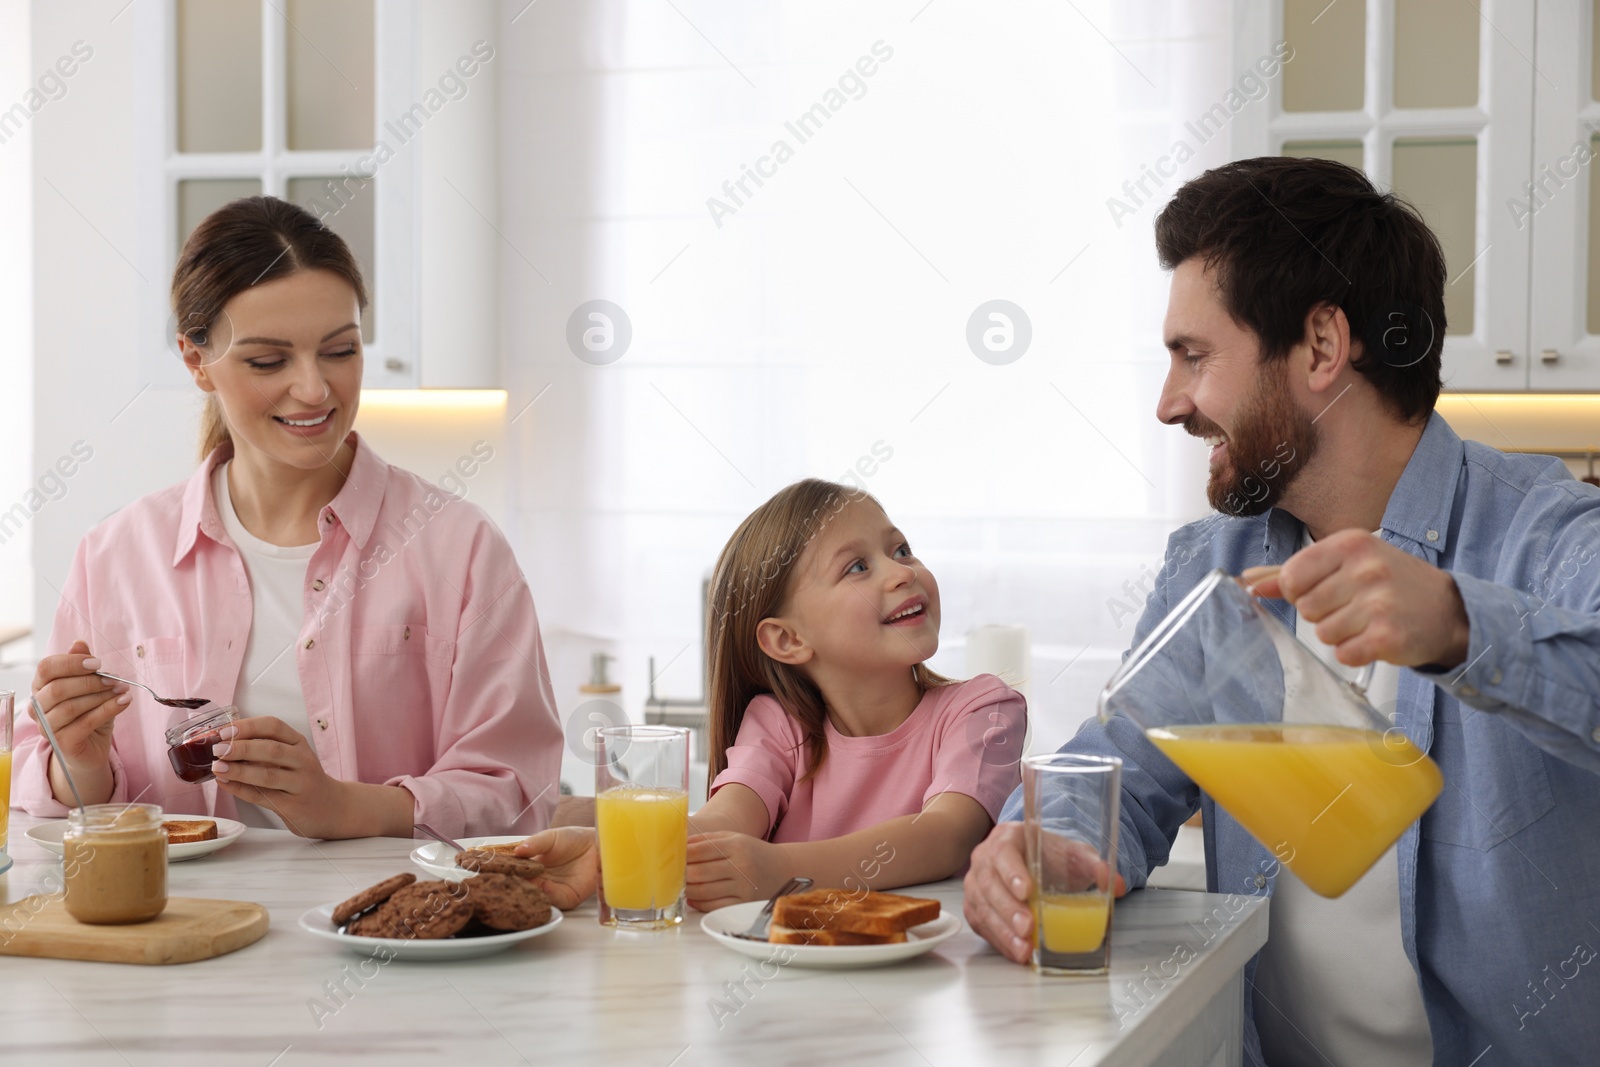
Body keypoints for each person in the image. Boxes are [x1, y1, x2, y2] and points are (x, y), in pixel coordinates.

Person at [963, 157, 1600, 1065]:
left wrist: (1462, 626)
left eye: (1195, 354)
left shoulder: (1547, 536)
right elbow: (1117, 777)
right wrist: (1041, 842)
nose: (1169, 402)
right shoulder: (1213, 568)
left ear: (1321, 347)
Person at [15, 196, 563, 840]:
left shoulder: (460, 548)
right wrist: (77, 757)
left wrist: (342, 809)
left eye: (339, 351)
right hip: (176, 926)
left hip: (391, 930)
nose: (313, 389)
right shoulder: (115, 555)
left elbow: (520, 792)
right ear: (198, 362)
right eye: (268, 361)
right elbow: (51, 801)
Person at [523, 479, 1026, 911]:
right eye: (857, 567)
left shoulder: (981, 710)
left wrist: (780, 870)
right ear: (787, 640)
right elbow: (723, 823)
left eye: (899, 550)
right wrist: (603, 845)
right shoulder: (778, 724)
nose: (903, 572)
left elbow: (945, 837)